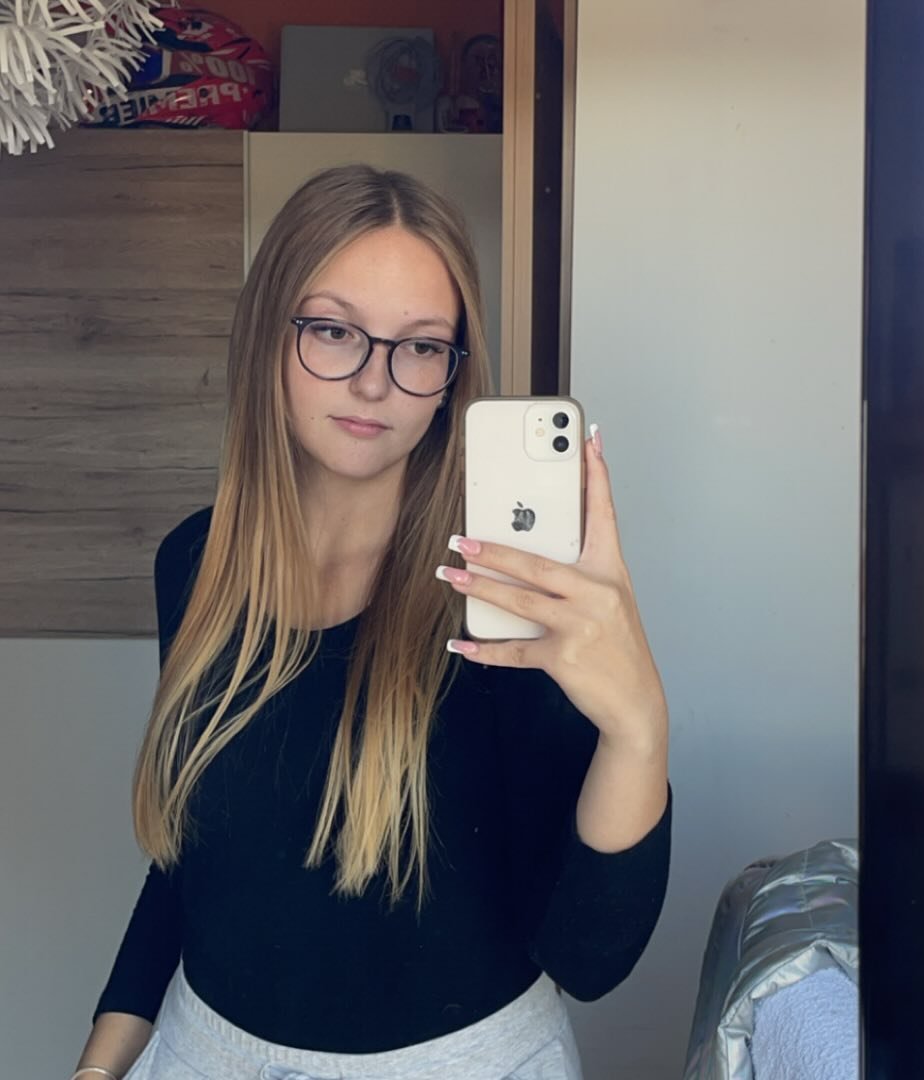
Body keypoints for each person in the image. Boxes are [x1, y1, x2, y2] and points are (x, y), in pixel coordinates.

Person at [71, 164, 672, 1080]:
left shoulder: (505, 604)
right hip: (203, 1052)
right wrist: (98, 1067)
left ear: (451, 376)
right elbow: (191, 867)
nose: (373, 381)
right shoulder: (194, 563)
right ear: (268, 332)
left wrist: (639, 729)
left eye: (420, 346)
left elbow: (590, 959)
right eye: (333, 330)